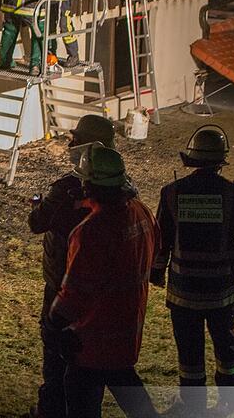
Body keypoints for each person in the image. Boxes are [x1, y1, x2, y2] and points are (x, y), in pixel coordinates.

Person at [151, 125, 234, 416]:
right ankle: (229, 401)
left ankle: (192, 404)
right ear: (219, 161)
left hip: (183, 293)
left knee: (189, 351)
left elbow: (160, 238)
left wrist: (157, 270)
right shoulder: (233, 194)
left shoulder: (171, 193)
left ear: (191, 159)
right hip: (220, 293)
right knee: (226, 346)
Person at [45, 143, 159, 418]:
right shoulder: (141, 212)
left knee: (83, 401)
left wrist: (54, 322)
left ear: (89, 187)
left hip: (91, 339)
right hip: (127, 328)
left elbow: (76, 292)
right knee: (130, 391)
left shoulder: (92, 232)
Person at [28, 114, 116, 418]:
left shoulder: (66, 188)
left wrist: (39, 203)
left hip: (62, 286)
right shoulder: (120, 186)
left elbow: (37, 222)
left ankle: (51, 410)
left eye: (75, 140)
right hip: (101, 291)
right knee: (89, 356)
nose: (70, 144)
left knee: (55, 351)